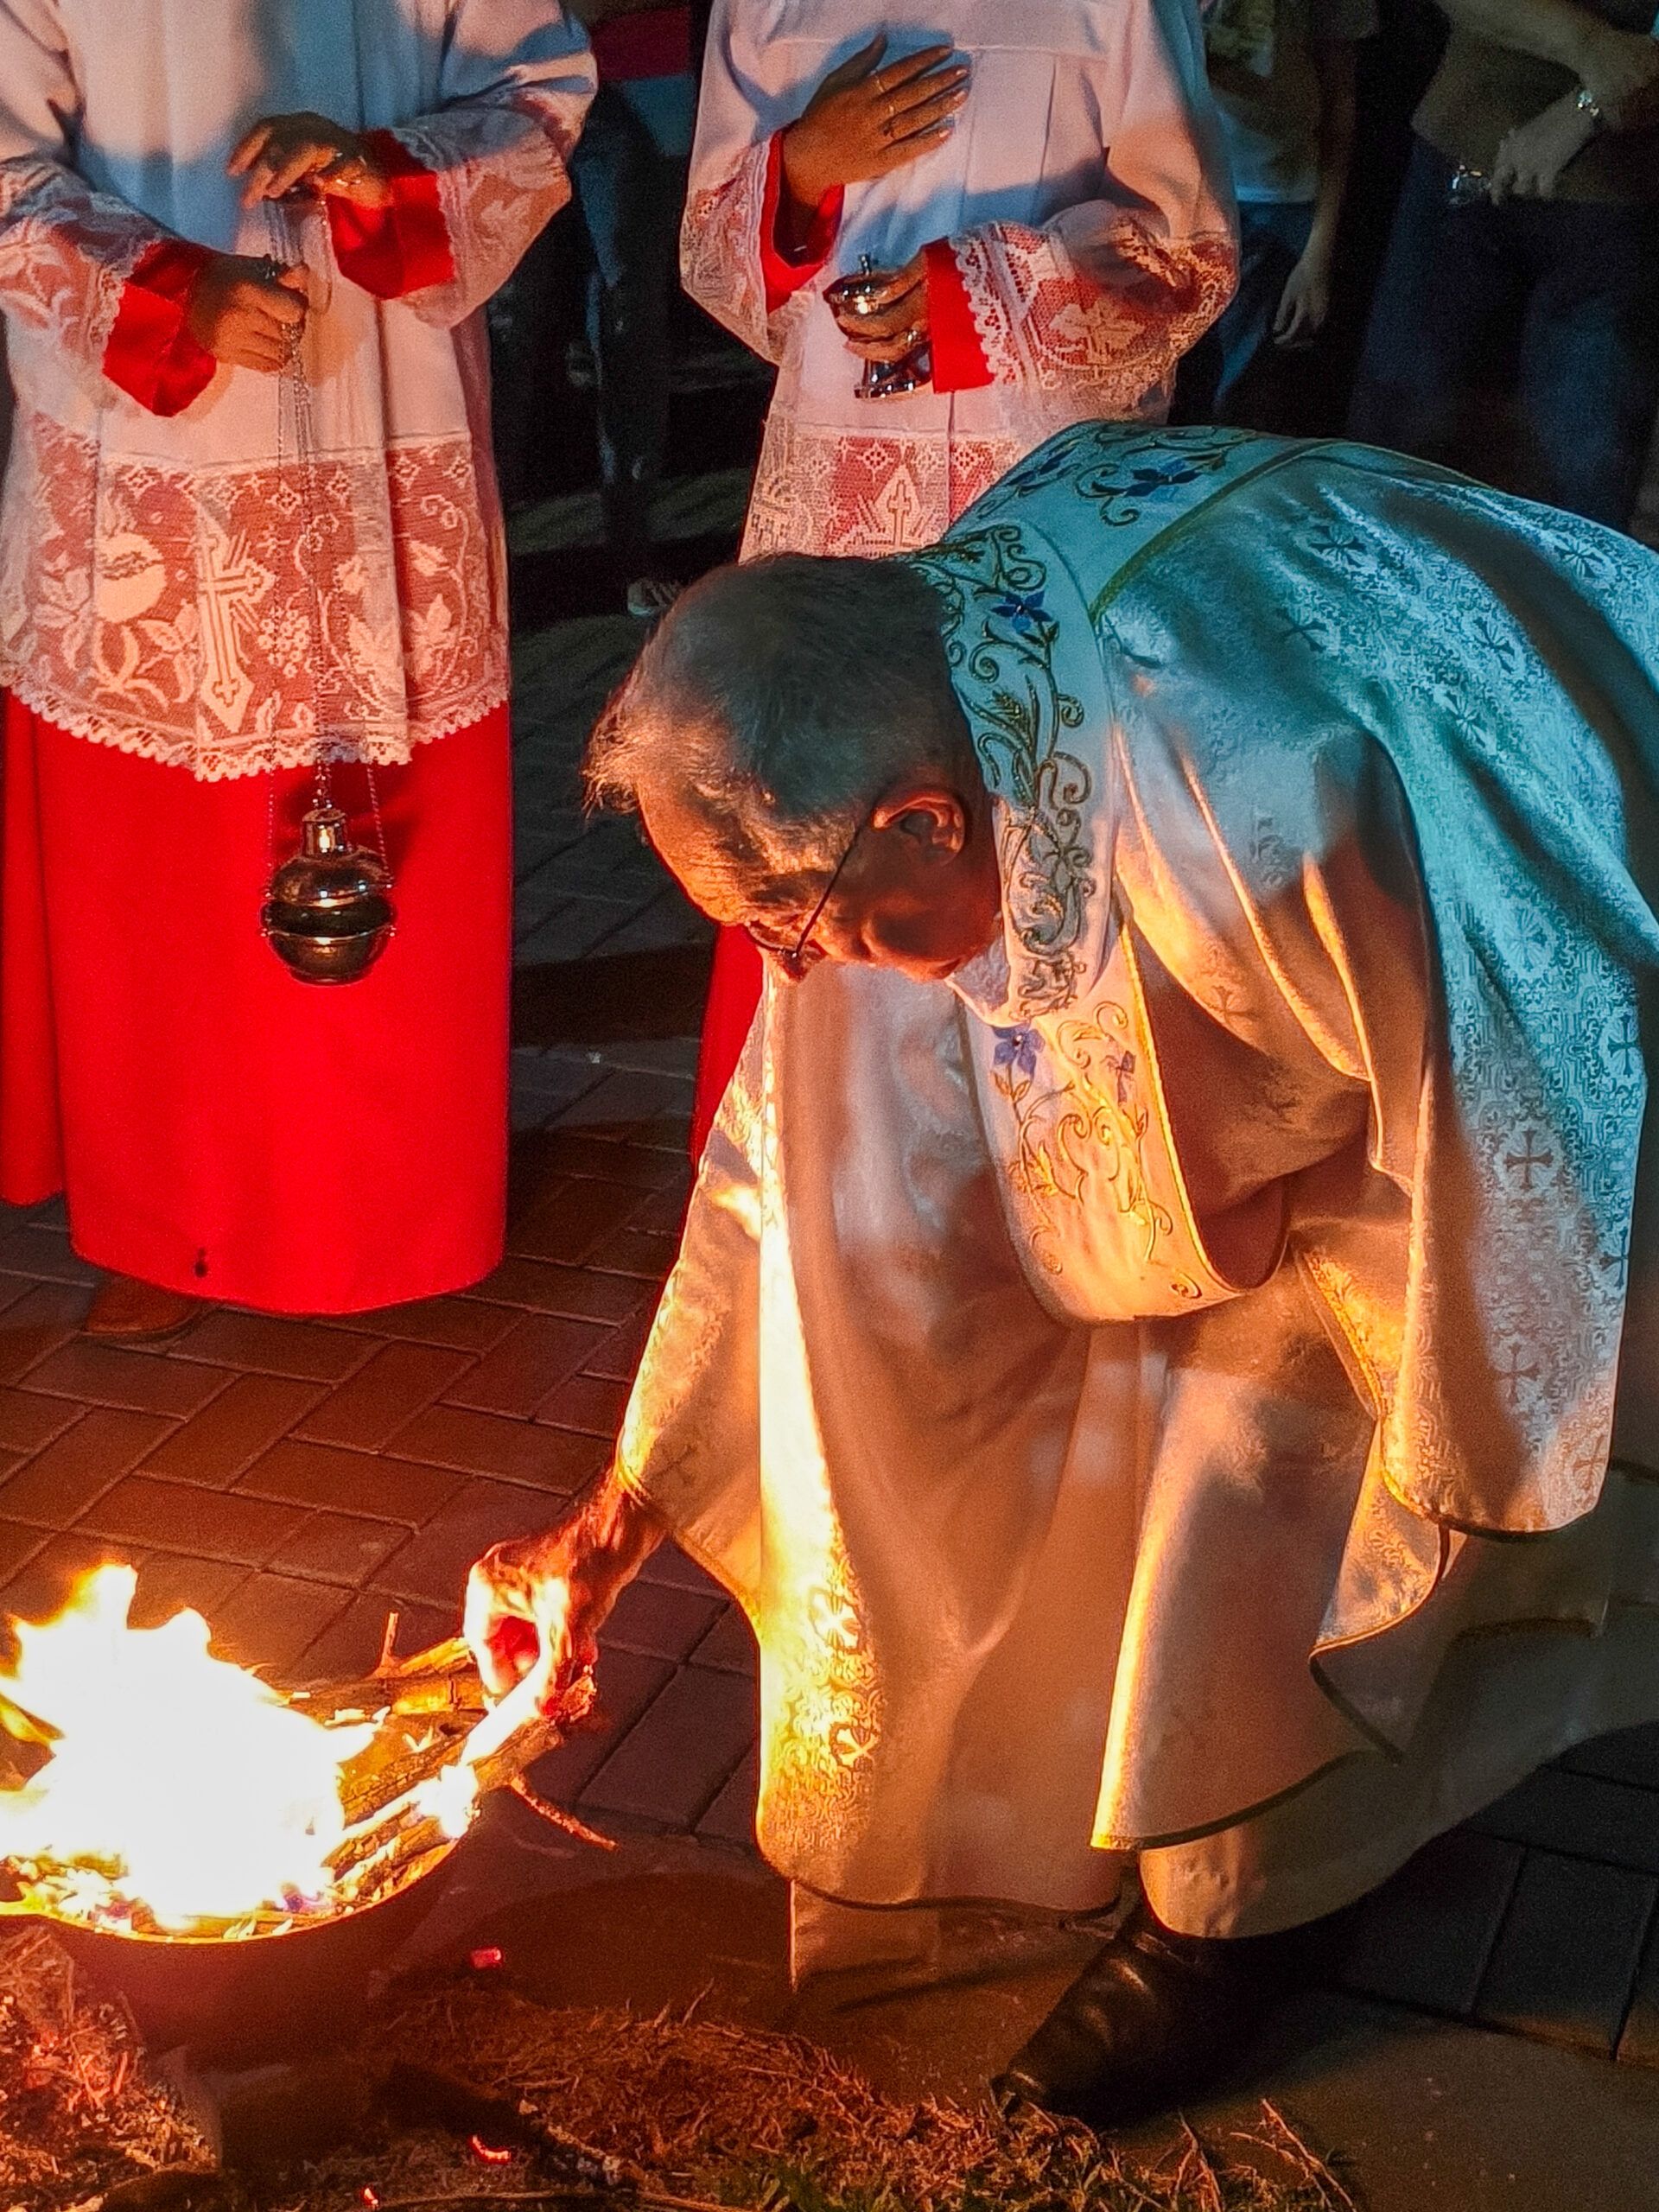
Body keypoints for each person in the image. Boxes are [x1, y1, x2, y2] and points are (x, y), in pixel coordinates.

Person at [468, 415, 1659, 2125]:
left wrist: (1470, 1421)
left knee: (1268, 1429)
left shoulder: (1277, 797)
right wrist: (612, 1520)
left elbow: (1523, 1101)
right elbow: (800, 1193)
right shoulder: (911, 710)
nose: (797, 978)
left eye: (802, 931)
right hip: (1316, 967)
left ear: (926, 821)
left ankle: (1238, 1904)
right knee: (958, 1200)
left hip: (1529, 944)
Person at [0, 2, 595, 1334]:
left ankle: (394, 1210)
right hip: (151, 440)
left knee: (399, 852)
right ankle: (171, 1225)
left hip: (388, 407)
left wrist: (389, 176)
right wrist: (168, 295)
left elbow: (542, 94)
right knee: (160, 887)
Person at [680, 0, 1237, 1154]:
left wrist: (976, 296)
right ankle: (831, 1202)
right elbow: (716, 261)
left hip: (1032, 492)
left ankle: (1077, 1196)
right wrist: (802, 175)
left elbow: (1187, 255)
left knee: (1039, 828)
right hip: (837, 503)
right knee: (817, 823)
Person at [1348, 0, 1659, 528]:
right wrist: (1592, 52)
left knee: (1582, 498)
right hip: (1467, 155)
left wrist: (1583, 109)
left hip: (1619, 206)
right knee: (1393, 464)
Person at [1174, 0, 1376, 429]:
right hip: (1176, 195)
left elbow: (1340, 99)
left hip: (1276, 206)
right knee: (1166, 390)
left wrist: (1316, 257)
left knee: (1237, 402)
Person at [566, 0, 698, 602]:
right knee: (506, 331)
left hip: (642, 81)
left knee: (629, 319)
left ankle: (631, 548)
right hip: (507, 86)